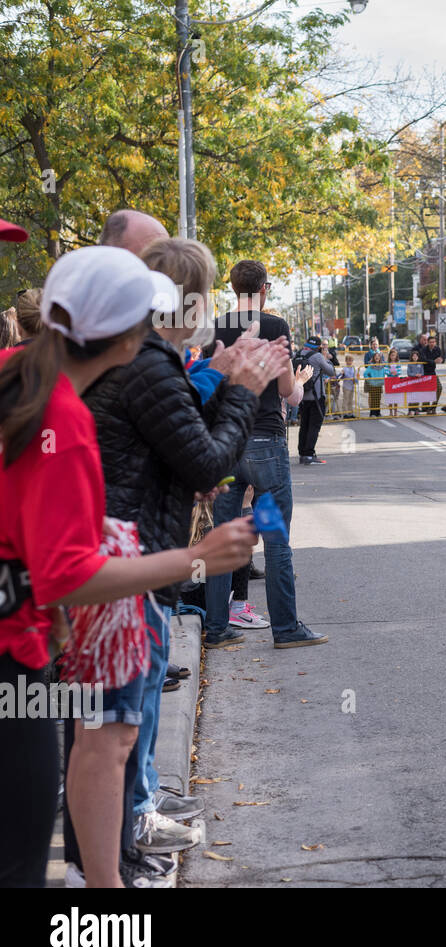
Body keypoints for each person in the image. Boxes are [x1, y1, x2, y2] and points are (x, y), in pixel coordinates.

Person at [0, 245, 255, 888]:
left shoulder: (19, 376)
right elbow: (68, 573)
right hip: (12, 656)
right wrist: (195, 557)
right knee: (22, 861)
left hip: (23, 646)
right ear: (124, 338)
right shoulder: (61, 416)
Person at [80, 236, 283, 883]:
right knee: (111, 732)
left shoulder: (148, 361)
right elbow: (203, 459)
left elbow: (183, 445)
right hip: (128, 565)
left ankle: (121, 850)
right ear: (185, 301)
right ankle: (110, 865)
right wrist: (244, 389)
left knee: (118, 728)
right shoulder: (148, 364)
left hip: (137, 559)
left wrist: (222, 378)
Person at [205, 259, 328, 651]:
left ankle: (217, 627)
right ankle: (286, 628)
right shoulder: (275, 327)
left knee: (223, 538)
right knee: (275, 539)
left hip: (226, 443)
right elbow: (286, 391)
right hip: (265, 444)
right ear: (263, 290)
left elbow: (209, 384)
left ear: (232, 288)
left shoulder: (215, 328)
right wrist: (302, 380)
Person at [295, 335, 338, 464]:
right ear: (319, 347)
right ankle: (309, 454)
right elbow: (331, 371)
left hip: (301, 396)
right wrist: (327, 358)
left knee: (304, 425)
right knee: (314, 426)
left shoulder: (297, 355)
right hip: (316, 398)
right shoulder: (318, 357)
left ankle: (302, 453)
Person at [364, 336, 384, 418]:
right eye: (373, 344)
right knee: (372, 396)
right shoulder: (368, 354)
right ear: (371, 345)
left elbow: (384, 365)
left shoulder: (381, 354)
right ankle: (372, 412)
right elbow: (366, 366)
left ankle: (378, 412)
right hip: (371, 380)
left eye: (376, 344)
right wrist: (369, 363)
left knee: (378, 397)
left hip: (379, 382)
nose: (375, 346)